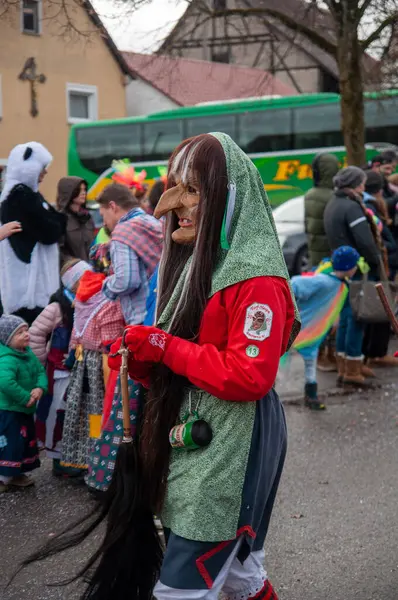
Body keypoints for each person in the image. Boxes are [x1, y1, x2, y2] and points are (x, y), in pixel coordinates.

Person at [26, 133, 299, 600]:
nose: (172, 204)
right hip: (200, 429)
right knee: (238, 576)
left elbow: (249, 376)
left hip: (233, 440)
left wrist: (164, 346)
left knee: (182, 584)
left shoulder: (256, 279)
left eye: (192, 189)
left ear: (229, 194)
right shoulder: (204, 263)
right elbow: (187, 356)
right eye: (177, 187)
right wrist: (143, 361)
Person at [29, 259, 93, 477]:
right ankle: (58, 459)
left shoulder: (94, 299)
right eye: (84, 277)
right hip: (60, 372)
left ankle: (83, 455)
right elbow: (35, 333)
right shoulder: (56, 307)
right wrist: (42, 362)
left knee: (83, 414)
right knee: (58, 414)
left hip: (86, 369)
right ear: (72, 283)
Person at [60, 269, 125, 473]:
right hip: (101, 364)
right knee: (99, 411)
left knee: (83, 412)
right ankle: (98, 460)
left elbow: (75, 337)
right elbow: (111, 342)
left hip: (83, 363)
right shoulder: (106, 302)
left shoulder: (81, 302)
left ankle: (82, 459)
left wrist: (72, 357)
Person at [324, 166, 382, 384]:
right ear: (356, 184)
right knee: (357, 318)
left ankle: (345, 364)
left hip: (342, 267)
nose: (364, 186)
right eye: (362, 182)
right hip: (357, 269)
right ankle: (352, 369)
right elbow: (365, 241)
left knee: (348, 317)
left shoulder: (333, 203)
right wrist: (375, 261)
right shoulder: (351, 206)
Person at [0, 142, 66, 325]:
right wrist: (56, 220)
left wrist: (56, 220)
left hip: (33, 289)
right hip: (28, 293)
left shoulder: (28, 195)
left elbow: (57, 222)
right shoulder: (20, 196)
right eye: (42, 168)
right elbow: (51, 231)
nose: (44, 173)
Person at [290, 246, 360, 408]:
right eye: (355, 264)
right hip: (300, 326)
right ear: (348, 268)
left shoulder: (340, 283)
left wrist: (333, 317)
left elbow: (333, 302)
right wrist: (290, 311)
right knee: (280, 362)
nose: (357, 267)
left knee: (310, 361)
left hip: (312, 330)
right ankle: (266, 393)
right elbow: (294, 284)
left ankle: (311, 395)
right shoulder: (323, 281)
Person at [98, 182, 163, 324]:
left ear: (113, 206)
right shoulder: (153, 222)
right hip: (163, 309)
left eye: (103, 215)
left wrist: (106, 285)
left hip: (142, 317)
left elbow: (126, 281)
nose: (104, 222)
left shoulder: (122, 232)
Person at [0, 315, 47, 493]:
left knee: (23, 442)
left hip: (24, 409)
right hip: (9, 410)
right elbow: (4, 382)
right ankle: (3, 478)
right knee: (9, 443)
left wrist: (40, 388)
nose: (26, 334)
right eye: (20, 333)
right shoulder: (6, 359)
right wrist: (25, 397)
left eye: (26, 330)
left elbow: (40, 371)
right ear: (8, 339)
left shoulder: (27, 353)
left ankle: (16, 474)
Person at [304, 153, 340, 372]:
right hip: (328, 259)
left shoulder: (309, 194)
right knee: (331, 309)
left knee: (319, 308)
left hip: (314, 257)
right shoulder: (331, 197)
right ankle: (327, 355)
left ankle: (319, 354)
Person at [362, 171, 398, 367]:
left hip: (385, 261)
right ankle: (376, 352)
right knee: (382, 309)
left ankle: (373, 352)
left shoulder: (368, 205)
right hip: (384, 264)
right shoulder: (369, 207)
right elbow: (379, 238)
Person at [57, 177, 95, 264]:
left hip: (92, 272)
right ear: (69, 192)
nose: (83, 193)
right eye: (79, 190)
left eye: (84, 189)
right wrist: (75, 265)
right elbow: (59, 251)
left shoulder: (88, 218)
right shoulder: (60, 219)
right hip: (71, 272)